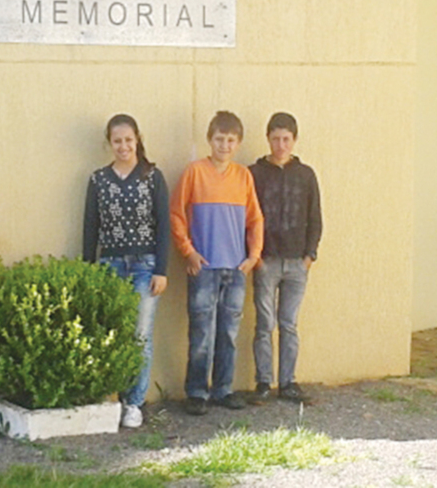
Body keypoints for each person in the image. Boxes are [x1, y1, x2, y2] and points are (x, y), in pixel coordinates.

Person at [170, 110, 264, 416]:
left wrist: (253, 256)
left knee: (228, 333)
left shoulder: (243, 176)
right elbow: (176, 214)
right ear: (210, 140)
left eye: (231, 140)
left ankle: (223, 388)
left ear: (238, 143)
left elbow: (255, 219)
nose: (225, 145)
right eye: (219, 139)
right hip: (204, 267)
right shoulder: (194, 172)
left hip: (235, 269)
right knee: (202, 333)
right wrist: (188, 252)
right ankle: (197, 391)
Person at [82, 114, 169, 429]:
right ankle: (112, 398)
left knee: (140, 336)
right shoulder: (98, 180)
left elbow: (163, 225)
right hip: (110, 266)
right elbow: (90, 228)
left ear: (137, 139)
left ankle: (134, 403)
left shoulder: (152, 177)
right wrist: (89, 271)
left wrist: (162, 269)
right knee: (113, 334)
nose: (123, 146)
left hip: (145, 267)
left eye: (128, 140)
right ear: (110, 143)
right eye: (117, 141)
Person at [248, 112, 322, 405]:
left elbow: (315, 217)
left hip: (296, 262)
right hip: (266, 260)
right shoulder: (254, 173)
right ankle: (264, 382)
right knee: (264, 323)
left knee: (289, 323)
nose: (280, 145)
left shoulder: (306, 175)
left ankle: (288, 382)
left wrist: (309, 256)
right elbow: (247, 216)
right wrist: (255, 255)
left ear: (294, 140)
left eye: (286, 139)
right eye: (276, 139)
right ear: (268, 139)